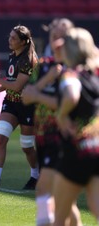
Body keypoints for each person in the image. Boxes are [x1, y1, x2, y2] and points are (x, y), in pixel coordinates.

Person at [22, 18, 82, 226]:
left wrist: (39, 95)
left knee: (45, 189)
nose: (56, 42)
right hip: (45, 134)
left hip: (66, 136)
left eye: (61, 37)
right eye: (53, 36)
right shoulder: (44, 67)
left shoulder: (77, 69)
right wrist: (46, 82)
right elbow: (27, 95)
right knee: (64, 200)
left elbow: (68, 104)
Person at [0, 25, 39, 190]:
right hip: (11, 103)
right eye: (10, 37)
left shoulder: (29, 59)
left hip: (27, 105)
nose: (10, 40)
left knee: (27, 146)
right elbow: (11, 80)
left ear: (24, 42)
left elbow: (18, 85)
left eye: (14, 38)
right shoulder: (13, 56)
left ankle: (36, 175)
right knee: (1, 138)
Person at [51, 27, 99, 226]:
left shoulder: (71, 75)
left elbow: (72, 94)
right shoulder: (95, 75)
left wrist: (61, 114)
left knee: (60, 218)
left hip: (76, 152)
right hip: (96, 148)